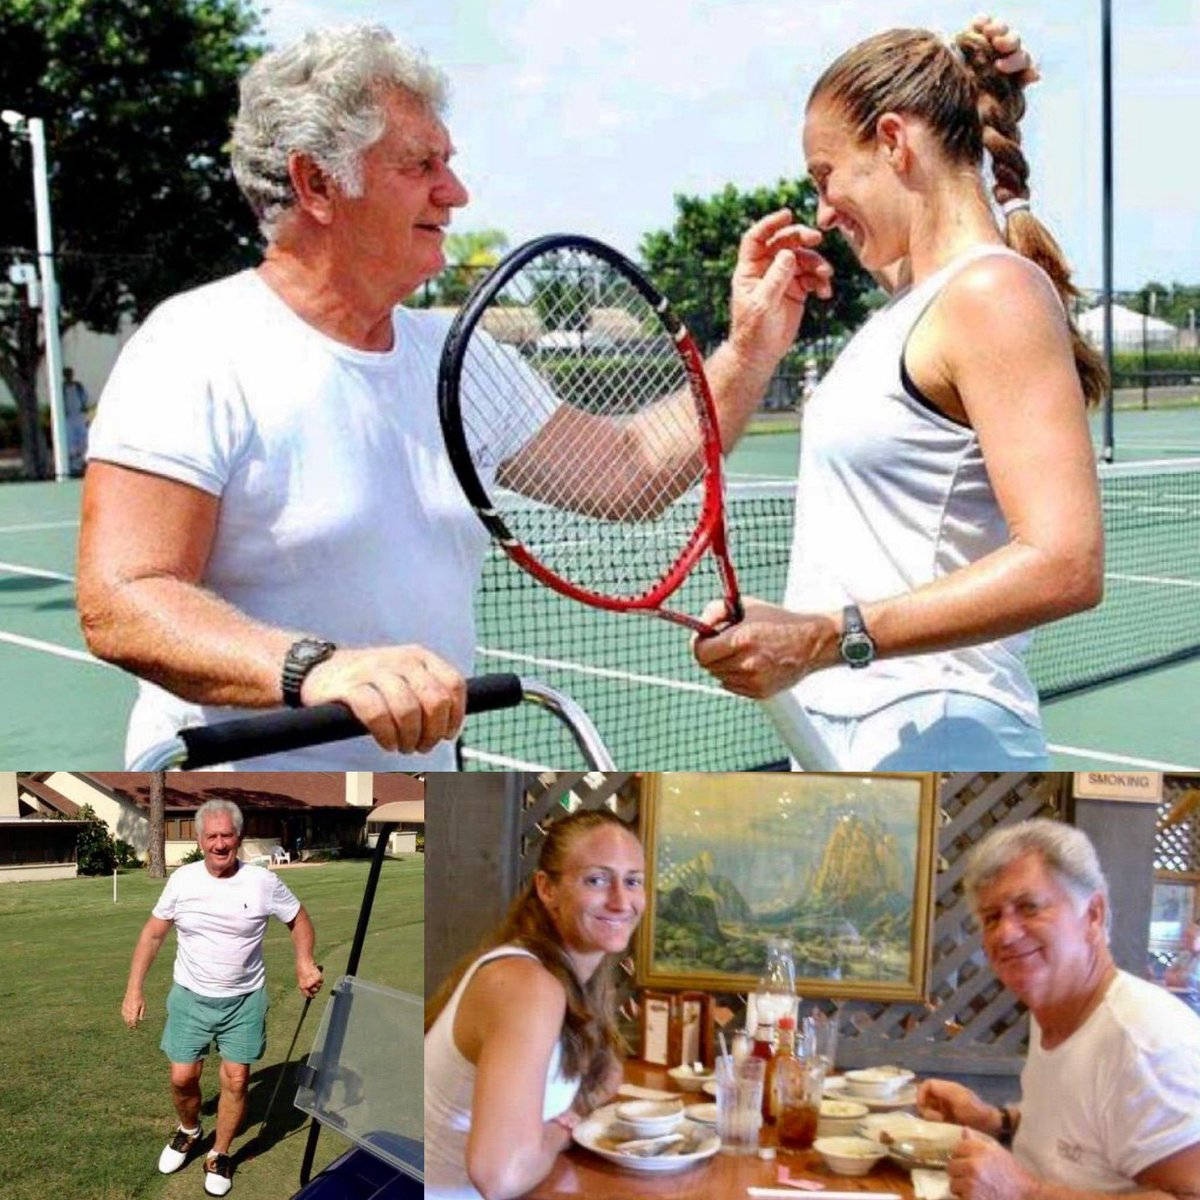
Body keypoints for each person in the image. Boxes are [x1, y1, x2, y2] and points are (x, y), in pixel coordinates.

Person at [75, 23, 828, 771]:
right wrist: (320, 670)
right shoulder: (194, 348)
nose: (455, 191)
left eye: (450, 162)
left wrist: (754, 341)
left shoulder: (458, 358)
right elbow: (123, 598)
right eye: (421, 164)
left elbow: (630, 471)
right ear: (317, 184)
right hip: (231, 789)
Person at [694, 17, 1104, 770]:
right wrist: (756, 331)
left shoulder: (993, 293)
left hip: (942, 729)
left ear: (892, 141)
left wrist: (824, 635)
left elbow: (1065, 562)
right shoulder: (921, 304)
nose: (820, 210)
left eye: (826, 177)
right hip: (847, 730)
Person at [917, 819, 1200, 1199]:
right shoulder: (1054, 1011)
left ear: (1094, 914)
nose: (1005, 933)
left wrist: (1025, 1192)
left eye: (1028, 907)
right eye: (992, 917)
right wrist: (993, 1120)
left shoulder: (1144, 1041)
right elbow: (1077, 1143)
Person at [424, 808, 645, 1200]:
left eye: (633, 881)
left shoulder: (570, 978)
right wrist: (564, 1128)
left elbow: (608, 1075)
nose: (621, 900)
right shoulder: (527, 986)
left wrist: (574, 1111)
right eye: (597, 879)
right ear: (547, 889)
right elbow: (500, 1177)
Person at [121, 799, 324, 1196]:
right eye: (211, 836)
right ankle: (189, 1130)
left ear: (239, 838)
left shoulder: (263, 882)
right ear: (199, 839)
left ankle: (219, 1152)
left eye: (226, 836)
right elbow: (153, 933)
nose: (219, 844)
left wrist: (304, 961)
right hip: (191, 998)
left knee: (236, 1079)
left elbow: (298, 918)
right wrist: (134, 989)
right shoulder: (183, 881)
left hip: (244, 1000)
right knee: (183, 1078)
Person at [62, 366, 91, 475]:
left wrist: (84, 407)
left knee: (83, 440)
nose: (69, 376)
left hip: (79, 416)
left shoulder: (78, 386)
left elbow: (85, 398)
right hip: (68, 418)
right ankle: (73, 466)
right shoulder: (62, 388)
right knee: (71, 441)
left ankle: (81, 464)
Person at [1165, 922, 1200, 998]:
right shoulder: (1184, 954)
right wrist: (1180, 977)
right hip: (1180, 996)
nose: (1185, 940)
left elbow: (1192, 982)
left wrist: (1179, 976)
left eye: (1189, 937)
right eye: (1184, 937)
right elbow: (1168, 974)